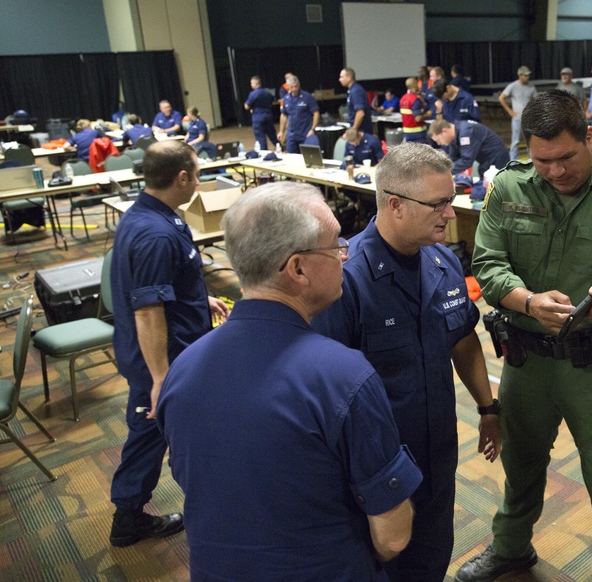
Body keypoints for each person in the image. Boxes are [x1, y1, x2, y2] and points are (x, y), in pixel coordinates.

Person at [457, 90, 592, 582]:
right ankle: (511, 550)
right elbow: (488, 265)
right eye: (542, 161)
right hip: (526, 363)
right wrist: (527, 301)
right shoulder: (509, 188)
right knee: (521, 470)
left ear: (588, 137)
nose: (555, 172)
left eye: (565, 158)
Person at [157, 182, 421, 580]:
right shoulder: (345, 376)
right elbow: (393, 537)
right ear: (297, 268)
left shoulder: (183, 368)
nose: (344, 256)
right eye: (335, 246)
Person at [312, 142, 501, 582]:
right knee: (381, 564)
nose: (450, 214)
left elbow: (463, 339)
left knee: (432, 555)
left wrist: (488, 408)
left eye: (450, 202)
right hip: (376, 467)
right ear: (395, 204)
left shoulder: (443, 261)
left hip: (437, 453)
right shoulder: (346, 280)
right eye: (438, 204)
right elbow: (326, 393)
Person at [108, 140, 230, 548]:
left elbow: (164, 287)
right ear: (182, 178)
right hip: (160, 362)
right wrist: (160, 377)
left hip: (172, 354)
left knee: (174, 430)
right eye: (196, 174)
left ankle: (198, 495)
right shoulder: (155, 234)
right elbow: (146, 312)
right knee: (149, 435)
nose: (198, 181)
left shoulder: (152, 215)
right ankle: (128, 518)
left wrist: (198, 298)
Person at [429, 118, 509, 175]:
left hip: (496, 159)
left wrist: (444, 172)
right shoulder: (455, 135)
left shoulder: (466, 132)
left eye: (438, 140)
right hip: (486, 160)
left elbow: (467, 160)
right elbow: (453, 159)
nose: (439, 144)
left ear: (444, 131)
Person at [499, 66, 537, 160]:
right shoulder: (513, 86)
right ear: (520, 75)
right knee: (515, 141)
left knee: (530, 140)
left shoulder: (531, 86)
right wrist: (510, 111)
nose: (527, 77)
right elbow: (501, 98)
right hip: (517, 118)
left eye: (528, 75)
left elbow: (536, 100)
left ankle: (531, 160)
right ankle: (512, 162)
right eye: (525, 75)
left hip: (529, 118)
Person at [278, 75, 319, 155]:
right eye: (292, 87)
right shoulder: (286, 99)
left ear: (299, 84)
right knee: (290, 157)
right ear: (288, 87)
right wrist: (281, 131)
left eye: (296, 86)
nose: (294, 89)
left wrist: (313, 129)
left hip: (305, 133)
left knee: (308, 156)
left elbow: (316, 113)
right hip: (291, 135)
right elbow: (284, 115)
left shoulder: (307, 96)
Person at [244, 76, 277, 149]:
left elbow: (247, 106)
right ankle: (279, 147)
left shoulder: (253, 94)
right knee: (272, 135)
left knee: (260, 137)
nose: (251, 85)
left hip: (258, 117)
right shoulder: (268, 92)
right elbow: (272, 101)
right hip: (268, 115)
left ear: (255, 83)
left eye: (251, 83)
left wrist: (251, 108)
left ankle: (264, 151)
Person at [340, 67, 374, 135]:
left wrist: (353, 130)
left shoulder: (356, 91)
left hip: (361, 132)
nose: (339, 79)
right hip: (358, 131)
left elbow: (360, 113)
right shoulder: (352, 90)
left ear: (349, 78)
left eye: (342, 77)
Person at [400, 77, 432, 145]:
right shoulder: (415, 100)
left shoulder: (403, 98)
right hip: (418, 134)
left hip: (407, 133)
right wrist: (428, 114)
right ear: (415, 84)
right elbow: (418, 118)